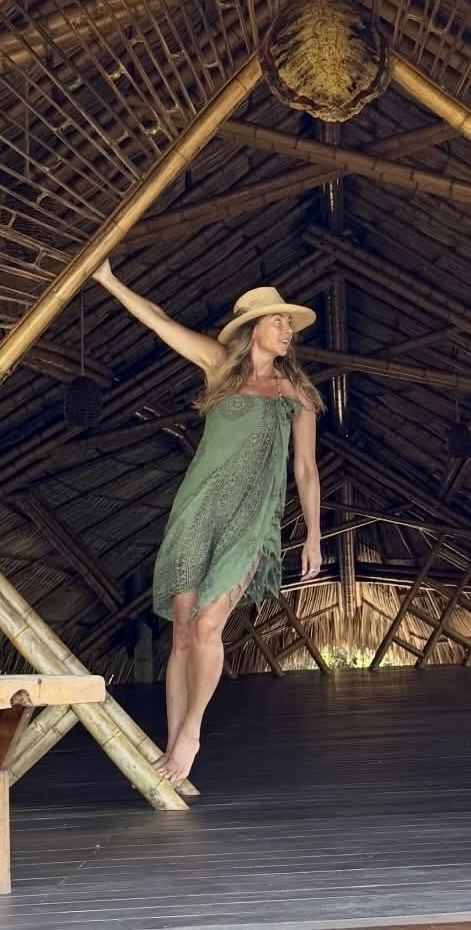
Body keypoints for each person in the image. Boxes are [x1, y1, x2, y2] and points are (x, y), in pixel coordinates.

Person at [92, 261, 324, 783]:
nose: (287, 329)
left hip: (252, 520)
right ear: (252, 329)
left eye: (289, 322)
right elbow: (158, 320)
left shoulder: (298, 394)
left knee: (208, 624)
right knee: (180, 632)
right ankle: (171, 745)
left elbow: (306, 470)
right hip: (198, 509)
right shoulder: (221, 367)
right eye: (278, 320)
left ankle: (192, 734)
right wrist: (108, 279)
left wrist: (312, 533)